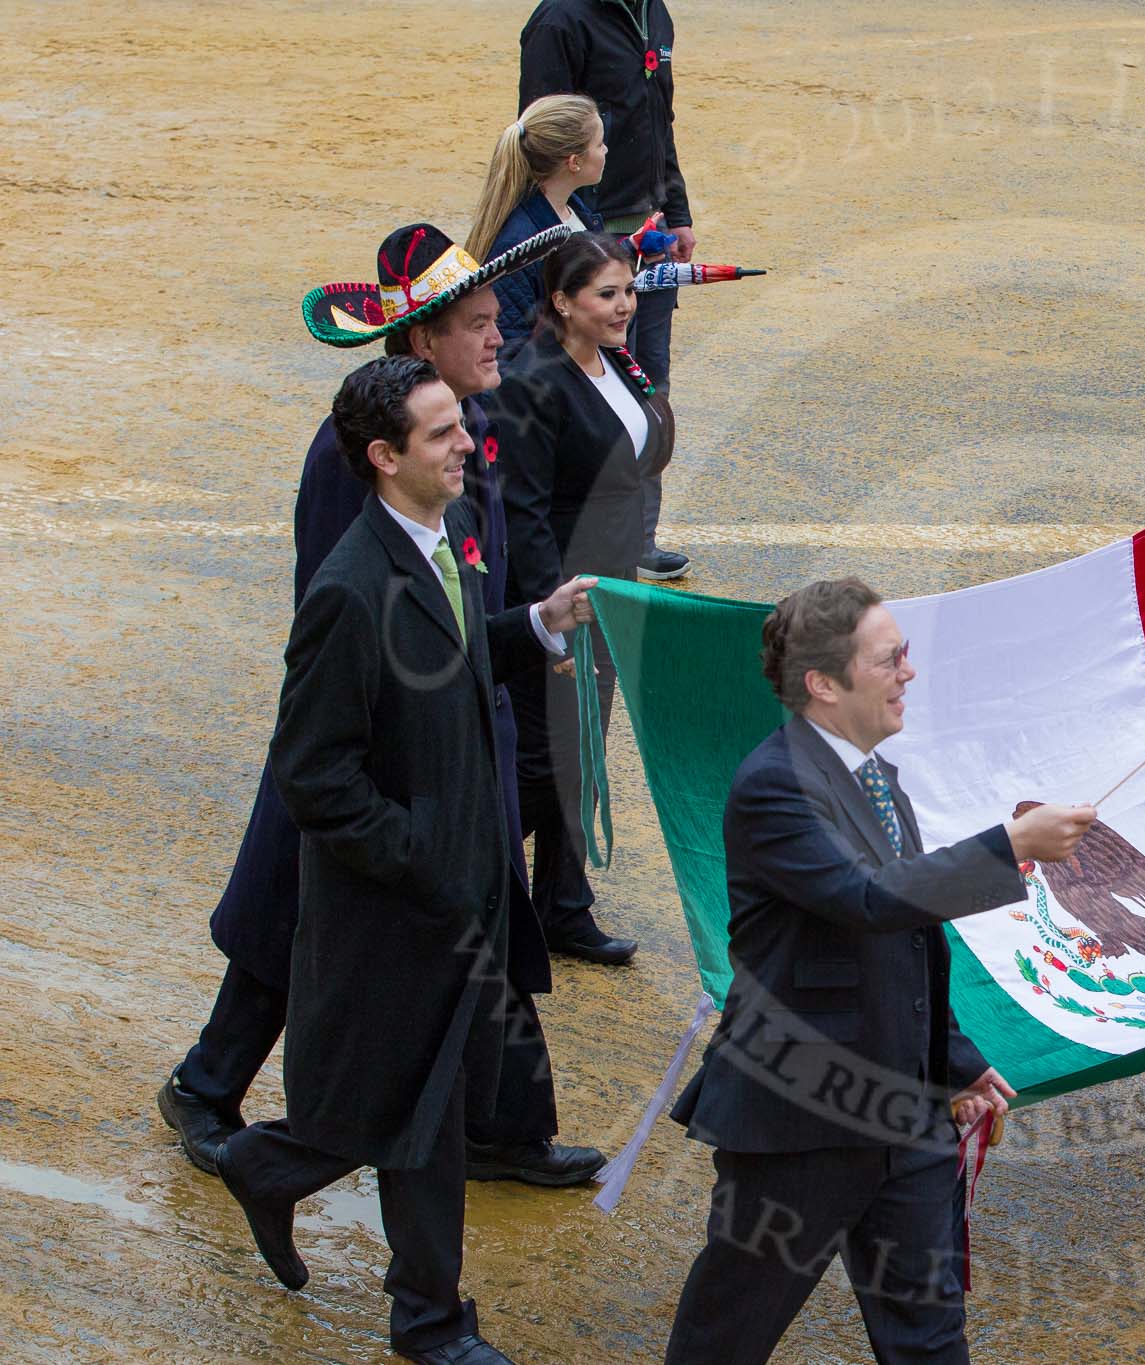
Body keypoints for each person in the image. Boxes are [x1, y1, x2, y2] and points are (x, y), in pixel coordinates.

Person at [158, 222, 605, 1189]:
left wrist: (531, 628)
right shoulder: (349, 459)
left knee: (487, 928)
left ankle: (500, 1125)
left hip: (455, 737)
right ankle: (205, 1085)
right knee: (290, 930)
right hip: (374, 750)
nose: (502, 336)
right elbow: (345, 620)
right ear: (419, 343)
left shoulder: (460, 427)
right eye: (482, 323)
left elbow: (468, 588)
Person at [213, 355, 599, 1365]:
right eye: (441, 433)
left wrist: (537, 628)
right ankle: (427, 1321)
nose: (466, 441)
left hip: (458, 889)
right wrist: (419, 853)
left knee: (413, 1104)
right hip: (401, 905)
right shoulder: (348, 590)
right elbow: (312, 774)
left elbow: (452, 660)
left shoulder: (446, 538)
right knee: (419, 1117)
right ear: (386, 460)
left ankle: (270, 1166)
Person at [662, 578, 1098, 1365]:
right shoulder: (774, 786)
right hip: (799, 1123)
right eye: (889, 657)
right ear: (825, 684)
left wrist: (952, 1062)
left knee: (929, 1341)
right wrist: (1011, 845)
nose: (909, 671)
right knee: (728, 1335)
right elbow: (865, 900)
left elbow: (903, 940)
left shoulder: (875, 773)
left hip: (907, 1115)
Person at [492, 231, 671, 965]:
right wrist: (552, 622)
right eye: (607, 293)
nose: (626, 303)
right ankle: (475, 867)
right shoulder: (533, 381)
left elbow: (641, 455)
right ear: (562, 302)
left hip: (609, 588)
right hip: (568, 599)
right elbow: (527, 514)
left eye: (628, 290)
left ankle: (562, 903)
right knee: (553, 759)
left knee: (582, 748)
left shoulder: (614, 362)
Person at [520, 0, 697, 580]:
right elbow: (544, 143)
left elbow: (658, 120)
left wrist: (675, 210)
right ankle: (590, 543)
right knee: (585, 397)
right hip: (592, 246)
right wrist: (595, 243)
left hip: (643, 241)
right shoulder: (558, 23)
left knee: (648, 387)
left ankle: (637, 542)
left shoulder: (654, 11)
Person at [468, 93, 609, 366]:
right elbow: (506, 351)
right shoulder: (522, 244)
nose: (606, 151)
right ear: (574, 162)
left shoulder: (572, 209)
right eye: (599, 144)